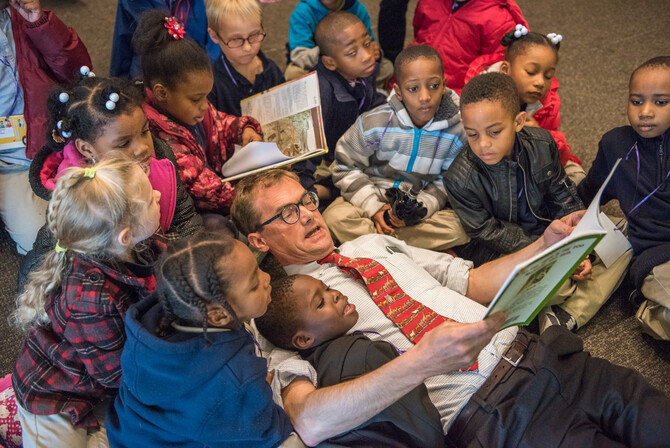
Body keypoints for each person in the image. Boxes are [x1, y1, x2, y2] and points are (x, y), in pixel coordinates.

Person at [230, 167, 670, 446]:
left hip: (548, 354)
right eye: (286, 213)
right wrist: (418, 364)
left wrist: (544, 245)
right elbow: (307, 419)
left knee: (656, 419)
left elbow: (472, 281)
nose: (308, 214)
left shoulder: (370, 243)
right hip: (491, 412)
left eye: (307, 200)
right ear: (258, 240)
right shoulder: (276, 312)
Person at [445, 72, 631, 331]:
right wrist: (556, 253)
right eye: (472, 134)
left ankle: (560, 312)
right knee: (555, 281)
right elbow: (489, 233)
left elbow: (564, 195)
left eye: (494, 131)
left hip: (551, 232)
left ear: (519, 121)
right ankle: (566, 305)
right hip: (507, 254)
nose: (483, 144)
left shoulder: (543, 144)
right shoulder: (459, 178)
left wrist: (581, 246)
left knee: (621, 242)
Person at [11, 157, 163, 448]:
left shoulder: (140, 247)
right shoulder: (89, 299)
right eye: (149, 197)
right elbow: (115, 374)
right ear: (124, 236)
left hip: (95, 377)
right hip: (52, 393)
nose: (157, 195)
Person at [106, 230, 295, 447]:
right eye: (254, 285)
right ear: (219, 315)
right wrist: (253, 396)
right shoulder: (234, 378)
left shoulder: (155, 321)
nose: (267, 278)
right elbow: (266, 432)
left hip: (127, 432)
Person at [19, 74, 203, 291]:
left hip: (155, 256)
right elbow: (42, 266)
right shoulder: (79, 196)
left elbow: (184, 218)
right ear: (87, 149)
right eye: (124, 143)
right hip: (109, 281)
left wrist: (185, 261)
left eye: (145, 132)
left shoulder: (159, 156)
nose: (143, 147)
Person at [255, 274, 444, 447]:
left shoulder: (317, 367)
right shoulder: (363, 354)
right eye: (321, 303)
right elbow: (426, 432)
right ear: (304, 340)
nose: (335, 294)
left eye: (327, 288)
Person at [324, 45, 469, 251]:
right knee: (334, 218)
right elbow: (344, 167)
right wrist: (373, 208)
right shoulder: (374, 123)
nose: (425, 96)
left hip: (417, 209)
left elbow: (447, 181)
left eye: (434, 86)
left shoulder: (458, 131)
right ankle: (410, 249)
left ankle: (377, 246)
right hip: (373, 196)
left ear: (444, 85)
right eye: (413, 89)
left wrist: (421, 210)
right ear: (399, 92)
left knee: (459, 228)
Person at [133, 10, 263, 215]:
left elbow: (219, 123)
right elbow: (202, 190)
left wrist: (241, 130)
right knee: (219, 227)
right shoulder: (160, 139)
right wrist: (250, 197)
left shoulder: (188, 108)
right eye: (196, 99)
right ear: (161, 93)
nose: (204, 105)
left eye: (206, 96)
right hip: (197, 210)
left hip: (219, 184)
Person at [578, 56, 670, 340]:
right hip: (655, 257)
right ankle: (646, 304)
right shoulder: (614, 145)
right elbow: (589, 193)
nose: (646, 112)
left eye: (660, 102)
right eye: (637, 101)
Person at [0, 0, 90, 254]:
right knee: (42, 239)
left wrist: (40, 24)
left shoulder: (24, 18)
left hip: (34, 147)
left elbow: (78, 71)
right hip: (7, 159)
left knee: (51, 235)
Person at [464, 25, 585, 184]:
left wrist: (540, 135)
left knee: (577, 176)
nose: (540, 82)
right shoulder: (479, 99)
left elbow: (556, 152)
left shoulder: (547, 103)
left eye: (548, 76)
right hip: (489, 165)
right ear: (506, 69)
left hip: (530, 164)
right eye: (531, 72)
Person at [292, 12, 386, 203]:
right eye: (352, 53)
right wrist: (306, 191)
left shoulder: (360, 71)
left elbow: (371, 103)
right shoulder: (319, 91)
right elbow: (303, 155)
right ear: (330, 62)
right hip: (325, 162)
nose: (367, 56)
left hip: (352, 150)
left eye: (367, 44)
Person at [410, 0, 527, 93]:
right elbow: (419, 34)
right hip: (413, 81)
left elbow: (496, 73)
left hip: (457, 98)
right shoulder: (429, 2)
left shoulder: (498, 19)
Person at [205, 0, 284, 117]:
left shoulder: (271, 70)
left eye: (254, 35)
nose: (247, 48)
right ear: (214, 35)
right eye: (236, 39)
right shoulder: (211, 85)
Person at [285, 0, 392, 86]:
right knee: (293, 73)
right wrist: (331, 54)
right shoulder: (303, 13)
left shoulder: (359, 9)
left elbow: (370, 42)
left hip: (353, 67)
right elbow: (299, 56)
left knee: (387, 67)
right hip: (321, 68)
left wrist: (376, 52)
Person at [110, 0, 219, 79]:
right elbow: (123, 41)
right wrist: (119, 83)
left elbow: (216, 51)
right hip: (148, 71)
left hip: (194, 72)